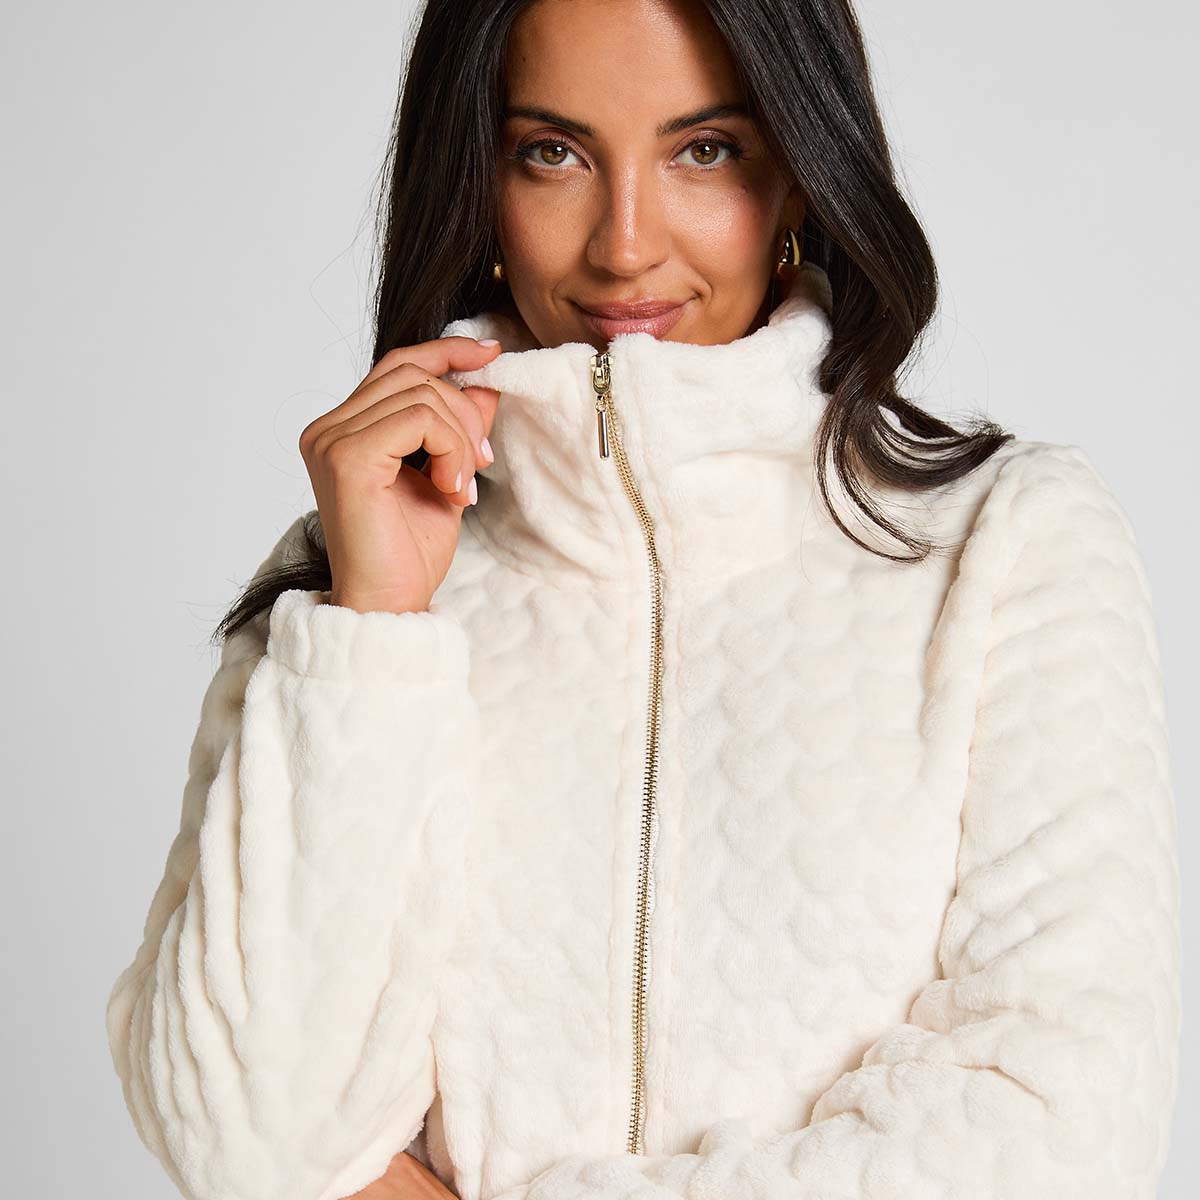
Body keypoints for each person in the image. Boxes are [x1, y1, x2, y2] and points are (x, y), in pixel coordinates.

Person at [103, 1, 1182, 1198]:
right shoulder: (353, 582)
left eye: (704, 150)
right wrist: (373, 634)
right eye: (552, 153)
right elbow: (242, 1141)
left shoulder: (1006, 544)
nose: (624, 246)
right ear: (481, 179)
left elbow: (1059, 1135)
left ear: (799, 173)